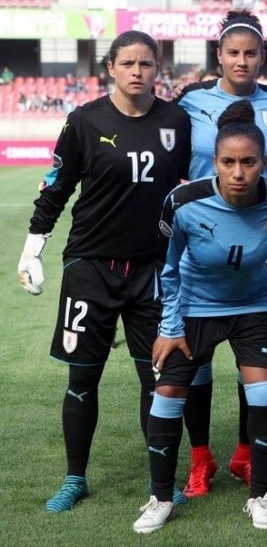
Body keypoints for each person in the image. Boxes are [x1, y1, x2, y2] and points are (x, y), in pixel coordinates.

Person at [16, 30, 191, 513]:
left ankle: (162, 481)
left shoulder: (177, 120)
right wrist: (32, 250)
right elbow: (55, 188)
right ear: (110, 67)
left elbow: (194, 190)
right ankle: (75, 478)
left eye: (147, 64)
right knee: (82, 379)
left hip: (153, 270)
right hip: (90, 269)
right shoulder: (84, 121)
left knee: (156, 379)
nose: (138, 71)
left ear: (159, 70)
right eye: (128, 63)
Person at [134, 101, 267, 533]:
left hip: (254, 305)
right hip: (194, 307)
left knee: (264, 394)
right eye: (229, 162)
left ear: (265, 162)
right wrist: (170, 327)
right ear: (215, 162)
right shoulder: (185, 201)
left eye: (249, 162)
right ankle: (159, 497)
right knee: (167, 395)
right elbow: (164, 267)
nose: (239, 172)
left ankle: (261, 495)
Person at [173, 9, 267, 498]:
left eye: (251, 53)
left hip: (260, 250)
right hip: (201, 250)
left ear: (263, 56)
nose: (242, 61)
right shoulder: (191, 102)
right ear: (218, 56)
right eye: (233, 52)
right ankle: (200, 457)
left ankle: (247, 454)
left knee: (256, 364)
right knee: (196, 363)